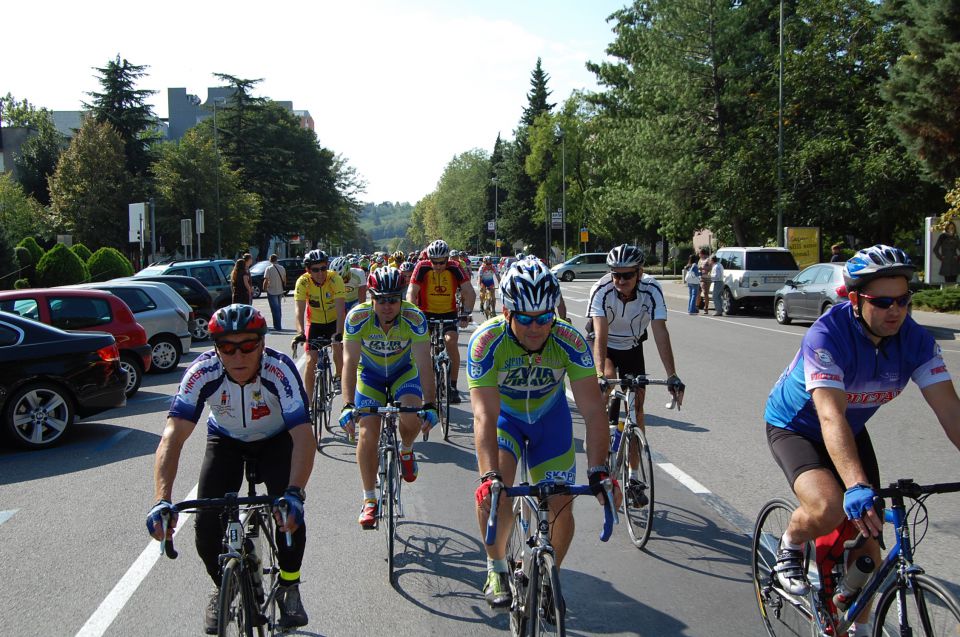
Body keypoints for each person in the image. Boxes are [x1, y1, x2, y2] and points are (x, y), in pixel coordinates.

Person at [763, 245, 959, 637]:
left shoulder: (915, 341)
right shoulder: (826, 336)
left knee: (871, 542)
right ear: (854, 299)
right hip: (797, 426)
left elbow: (950, 410)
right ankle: (793, 539)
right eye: (883, 301)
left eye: (903, 300)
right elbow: (829, 415)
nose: (896, 311)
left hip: (848, 431)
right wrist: (855, 485)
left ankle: (857, 624)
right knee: (831, 506)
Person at [146, 305, 313, 633]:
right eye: (227, 347)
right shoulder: (202, 372)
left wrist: (294, 493)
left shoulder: (279, 370)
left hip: (277, 439)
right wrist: (161, 499)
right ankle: (222, 585)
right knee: (206, 526)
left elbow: (304, 437)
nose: (238, 356)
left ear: (262, 345)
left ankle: (290, 585)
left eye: (248, 345)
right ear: (216, 349)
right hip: (227, 440)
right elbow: (172, 435)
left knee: (289, 518)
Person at [469, 258, 621, 614]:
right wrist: (489, 476)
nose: (536, 327)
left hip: (549, 419)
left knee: (561, 504)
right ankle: (496, 568)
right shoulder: (486, 341)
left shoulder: (568, 340)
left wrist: (599, 470)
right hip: (505, 420)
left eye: (544, 317)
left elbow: (593, 411)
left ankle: (551, 574)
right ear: (506, 311)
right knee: (497, 492)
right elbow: (483, 416)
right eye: (525, 318)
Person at [338, 267, 438, 526]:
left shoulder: (414, 318)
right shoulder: (357, 317)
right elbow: (348, 363)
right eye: (381, 299)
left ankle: (406, 450)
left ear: (401, 298)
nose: (387, 306)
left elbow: (425, 363)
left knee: (411, 417)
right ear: (371, 297)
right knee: (367, 432)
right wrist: (347, 405)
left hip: (403, 373)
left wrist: (431, 404)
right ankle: (369, 499)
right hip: (370, 376)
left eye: (393, 299)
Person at [587, 244, 684, 507]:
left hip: (631, 346)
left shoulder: (652, 289)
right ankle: (600, 442)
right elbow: (600, 333)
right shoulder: (602, 289)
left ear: (639, 273)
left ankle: (632, 478)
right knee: (605, 381)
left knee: (636, 410)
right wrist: (599, 375)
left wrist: (672, 375)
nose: (620, 281)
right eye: (615, 274)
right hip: (604, 345)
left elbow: (660, 331)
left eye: (627, 275)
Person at [406, 239, 476, 404]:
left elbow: (469, 291)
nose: (438, 266)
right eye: (434, 262)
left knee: (451, 342)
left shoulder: (455, 267)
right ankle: (424, 383)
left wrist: (465, 313)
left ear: (447, 259)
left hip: (449, 313)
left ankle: (452, 386)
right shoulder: (422, 267)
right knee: (422, 349)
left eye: (441, 262)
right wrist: (412, 312)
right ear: (429, 259)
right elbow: (411, 292)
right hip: (425, 313)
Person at [294, 249, 346, 401]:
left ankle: (338, 375)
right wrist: (300, 332)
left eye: (323, 268)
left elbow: (340, 310)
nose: (320, 273)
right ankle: (309, 405)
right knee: (310, 362)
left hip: (333, 321)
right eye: (315, 270)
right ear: (308, 270)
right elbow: (299, 311)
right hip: (315, 323)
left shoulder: (335, 279)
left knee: (336, 345)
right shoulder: (303, 282)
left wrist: (338, 333)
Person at [264, 254, 287, 331]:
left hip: (271, 290)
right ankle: (278, 324)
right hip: (280, 290)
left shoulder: (269, 268)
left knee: (274, 309)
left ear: (270, 260)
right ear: (277, 259)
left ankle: (277, 326)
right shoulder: (282, 268)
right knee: (278, 308)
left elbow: (266, 280)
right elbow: (284, 279)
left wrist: (264, 288)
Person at [697, 248, 712, 314]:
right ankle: (697, 306)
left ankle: (706, 307)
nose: (698, 255)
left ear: (702, 253)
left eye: (699, 254)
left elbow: (710, 268)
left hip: (706, 279)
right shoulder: (700, 260)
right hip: (700, 278)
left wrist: (702, 268)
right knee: (698, 293)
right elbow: (698, 267)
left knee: (705, 293)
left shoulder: (708, 260)